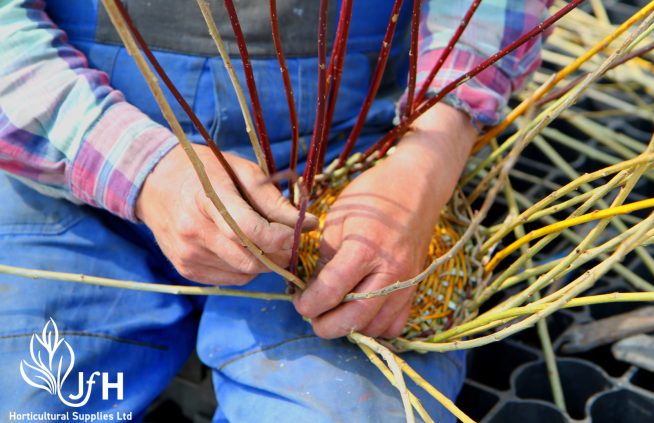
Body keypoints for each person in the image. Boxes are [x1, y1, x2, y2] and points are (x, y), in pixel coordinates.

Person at [0, 0, 552, 421]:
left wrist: (428, 156)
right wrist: (140, 169)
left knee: (337, 406)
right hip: (67, 168)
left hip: (344, 189)